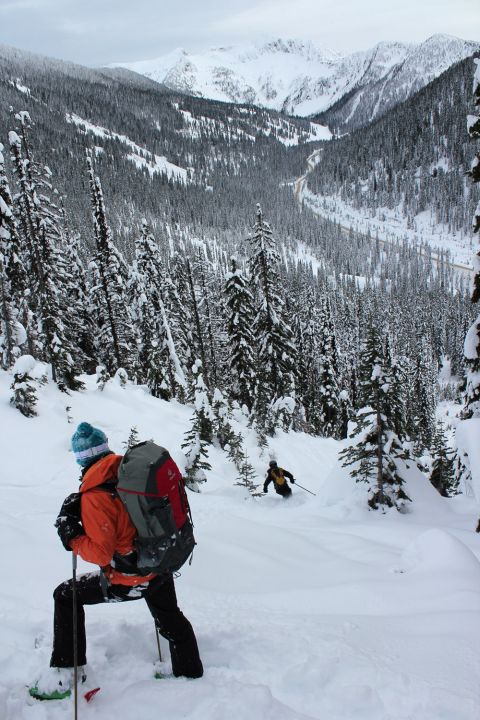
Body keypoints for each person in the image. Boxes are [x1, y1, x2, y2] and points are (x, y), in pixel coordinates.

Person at [30, 422, 203, 700]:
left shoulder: (96, 495)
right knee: (169, 615)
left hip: (130, 577)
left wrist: (72, 536)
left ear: (80, 458)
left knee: (65, 596)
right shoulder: (129, 475)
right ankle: (189, 669)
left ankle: (66, 675)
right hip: (158, 565)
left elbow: (100, 553)